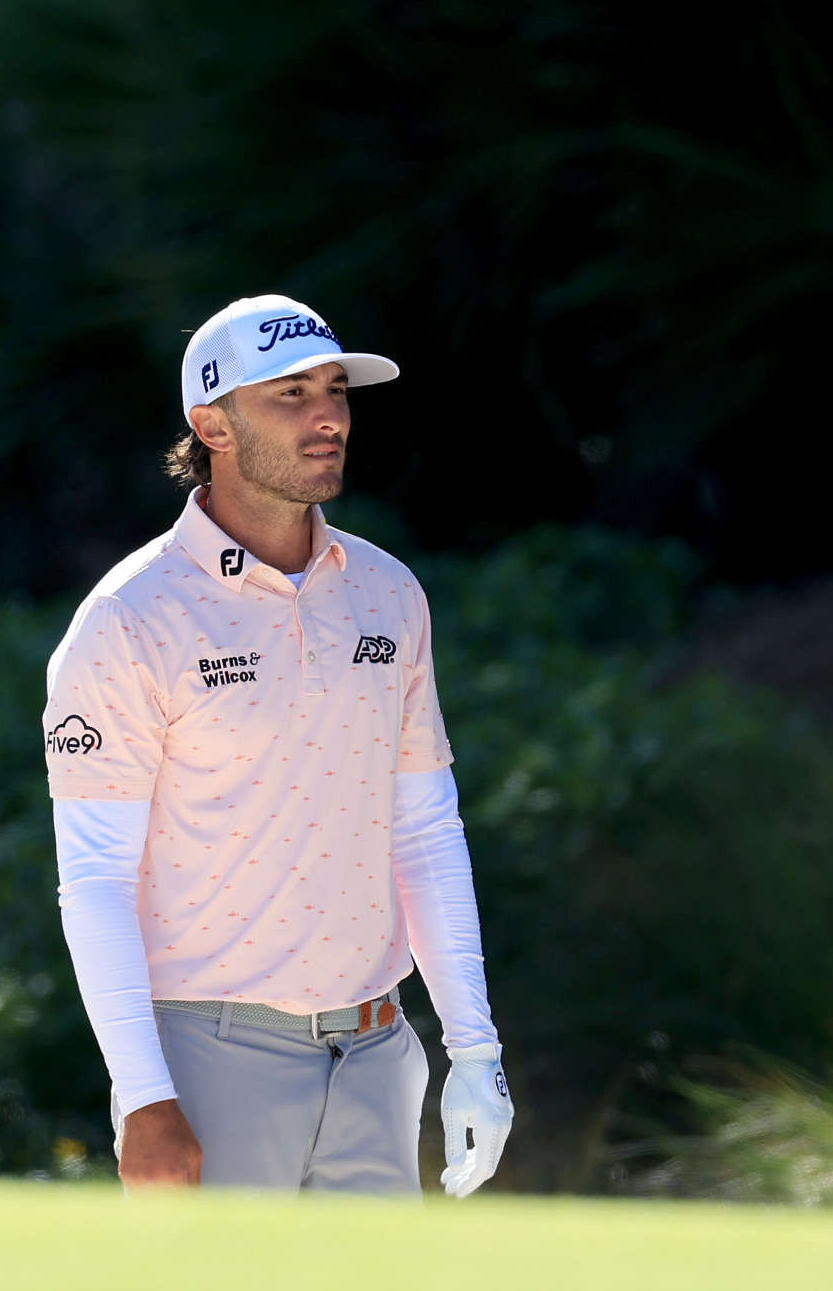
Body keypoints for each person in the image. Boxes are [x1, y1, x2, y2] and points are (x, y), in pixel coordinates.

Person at [41, 293, 512, 1196]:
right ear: (211, 425)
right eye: (288, 395)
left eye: (335, 390)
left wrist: (475, 1048)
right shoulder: (129, 617)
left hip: (380, 1049)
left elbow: (425, 833)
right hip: (208, 1054)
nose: (328, 415)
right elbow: (96, 877)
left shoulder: (388, 594)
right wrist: (143, 1097)